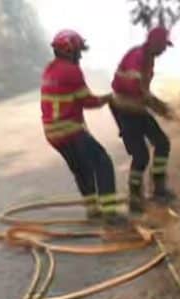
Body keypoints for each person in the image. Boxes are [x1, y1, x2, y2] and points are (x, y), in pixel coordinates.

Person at [40, 29, 128, 226]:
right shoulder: (71, 71)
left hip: (52, 133)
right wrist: (107, 98)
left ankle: (93, 210)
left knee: (81, 169)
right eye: (79, 51)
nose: (80, 55)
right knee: (102, 161)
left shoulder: (50, 69)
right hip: (69, 130)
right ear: (69, 50)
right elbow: (88, 101)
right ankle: (110, 214)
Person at [109, 25, 177, 215]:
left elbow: (142, 91)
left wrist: (158, 106)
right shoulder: (137, 56)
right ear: (155, 43)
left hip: (137, 109)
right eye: (163, 45)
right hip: (125, 110)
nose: (164, 50)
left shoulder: (149, 58)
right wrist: (158, 105)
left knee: (162, 143)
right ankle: (135, 198)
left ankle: (159, 188)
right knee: (141, 155)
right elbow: (133, 87)